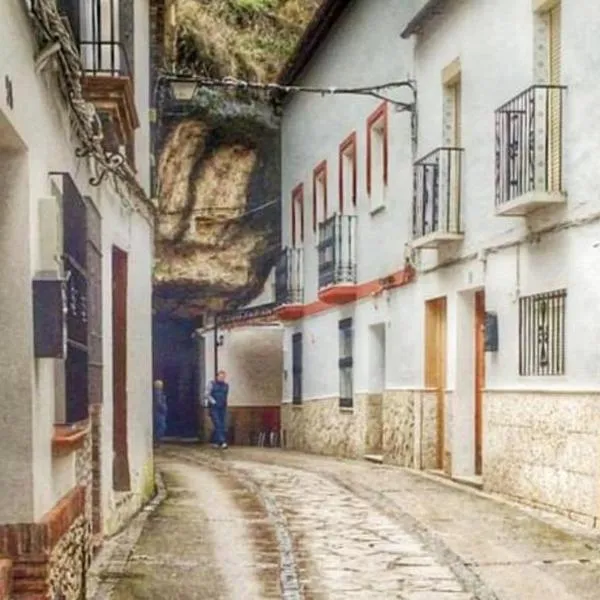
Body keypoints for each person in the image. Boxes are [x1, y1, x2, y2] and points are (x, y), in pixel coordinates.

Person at [204, 370, 229, 449]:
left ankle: (215, 441)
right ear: (217, 376)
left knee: (222, 424)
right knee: (217, 423)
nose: (222, 378)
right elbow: (206, 394)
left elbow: (225, 396)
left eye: (223, 377)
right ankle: (223, 441)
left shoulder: (226, 386)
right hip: (214, 408)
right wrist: (213, 402)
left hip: (222, 407)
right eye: (220, 376)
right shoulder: (211, 384)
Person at [153, 379, 167, 447]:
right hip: (159, 413)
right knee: (161, 427)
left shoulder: (157, 392)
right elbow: (159, 403)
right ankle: (157, 441)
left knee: (159, 427)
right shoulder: (158, 393)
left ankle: (157, 442)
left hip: (158, 412)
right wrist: (163, 409)